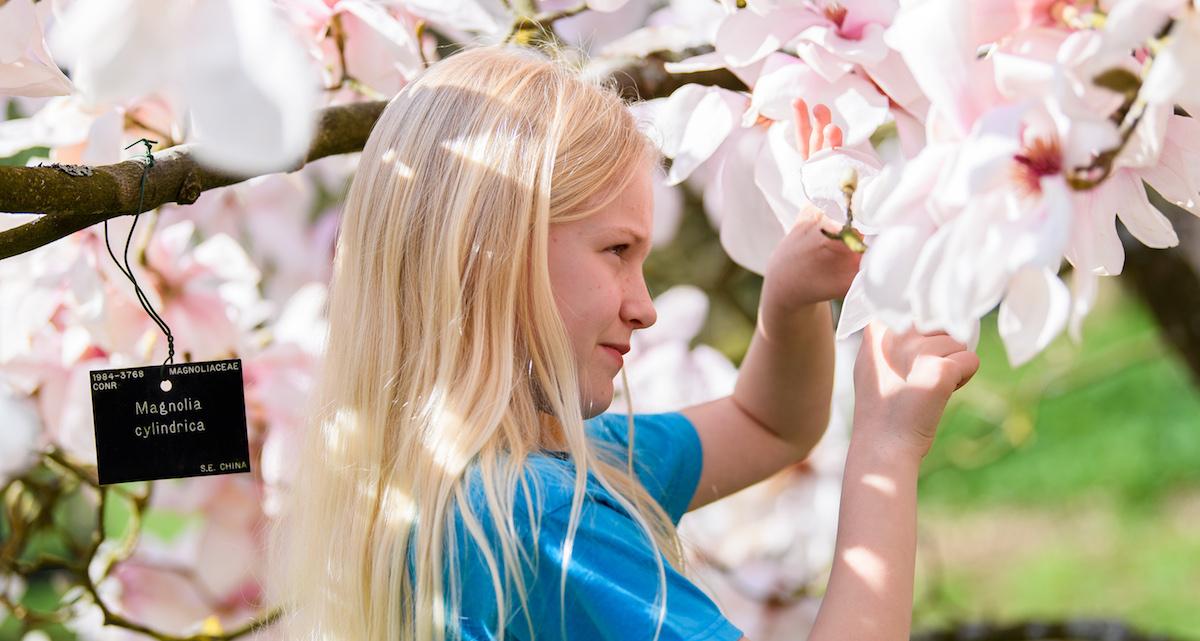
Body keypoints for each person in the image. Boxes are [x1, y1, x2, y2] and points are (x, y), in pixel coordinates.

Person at [266, 42, 980, 641]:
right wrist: (885, 454)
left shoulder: (438, 482)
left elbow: (772, 425)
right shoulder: (543, 517)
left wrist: (789, 303)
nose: (646, 308)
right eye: (616, 250)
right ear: (490, 255)